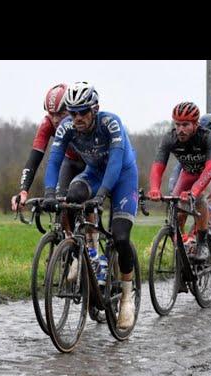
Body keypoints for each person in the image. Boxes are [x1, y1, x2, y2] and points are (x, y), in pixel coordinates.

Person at [42, 82, 139, 329]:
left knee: (120, 236)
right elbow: (54, 161)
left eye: (82, 112)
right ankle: (89, 254)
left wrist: (102, 194)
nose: (77, 118)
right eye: (72, 112)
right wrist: (50, 194)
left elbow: (116, 163)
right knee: (73, 195)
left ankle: (127, 298)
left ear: (95, 109)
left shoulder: (111, 123)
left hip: (122, 176)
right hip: (95, 172)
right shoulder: (66, 127)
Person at [167, 113, 211, 280]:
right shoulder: (194, 142)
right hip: (204, 178)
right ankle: (191, 247)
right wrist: (173, 192)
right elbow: (179, 169)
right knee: (189, 205)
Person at [148, 102, 211, 265]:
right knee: (177, 206)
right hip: (188, 174)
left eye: (186, 125)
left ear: (196, 124)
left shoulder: (207, 136)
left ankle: (202, 243)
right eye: (177, 124)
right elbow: (158, 166)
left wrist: (194, 191)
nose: (180, 129)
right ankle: (183, 247)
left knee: (199, 197)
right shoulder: (170, 138)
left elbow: (210, 167)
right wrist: (154, 188)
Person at [11, 84, 84, 218]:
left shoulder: (81, 120)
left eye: (61, 114)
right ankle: (67, 238)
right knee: (61, 203)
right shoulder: (47, 125)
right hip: (69, 162)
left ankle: (92, 238)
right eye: (52, 114)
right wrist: (23, 191)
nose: (55, 120)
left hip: (90, 163)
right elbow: (34, 160)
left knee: (84, 201)